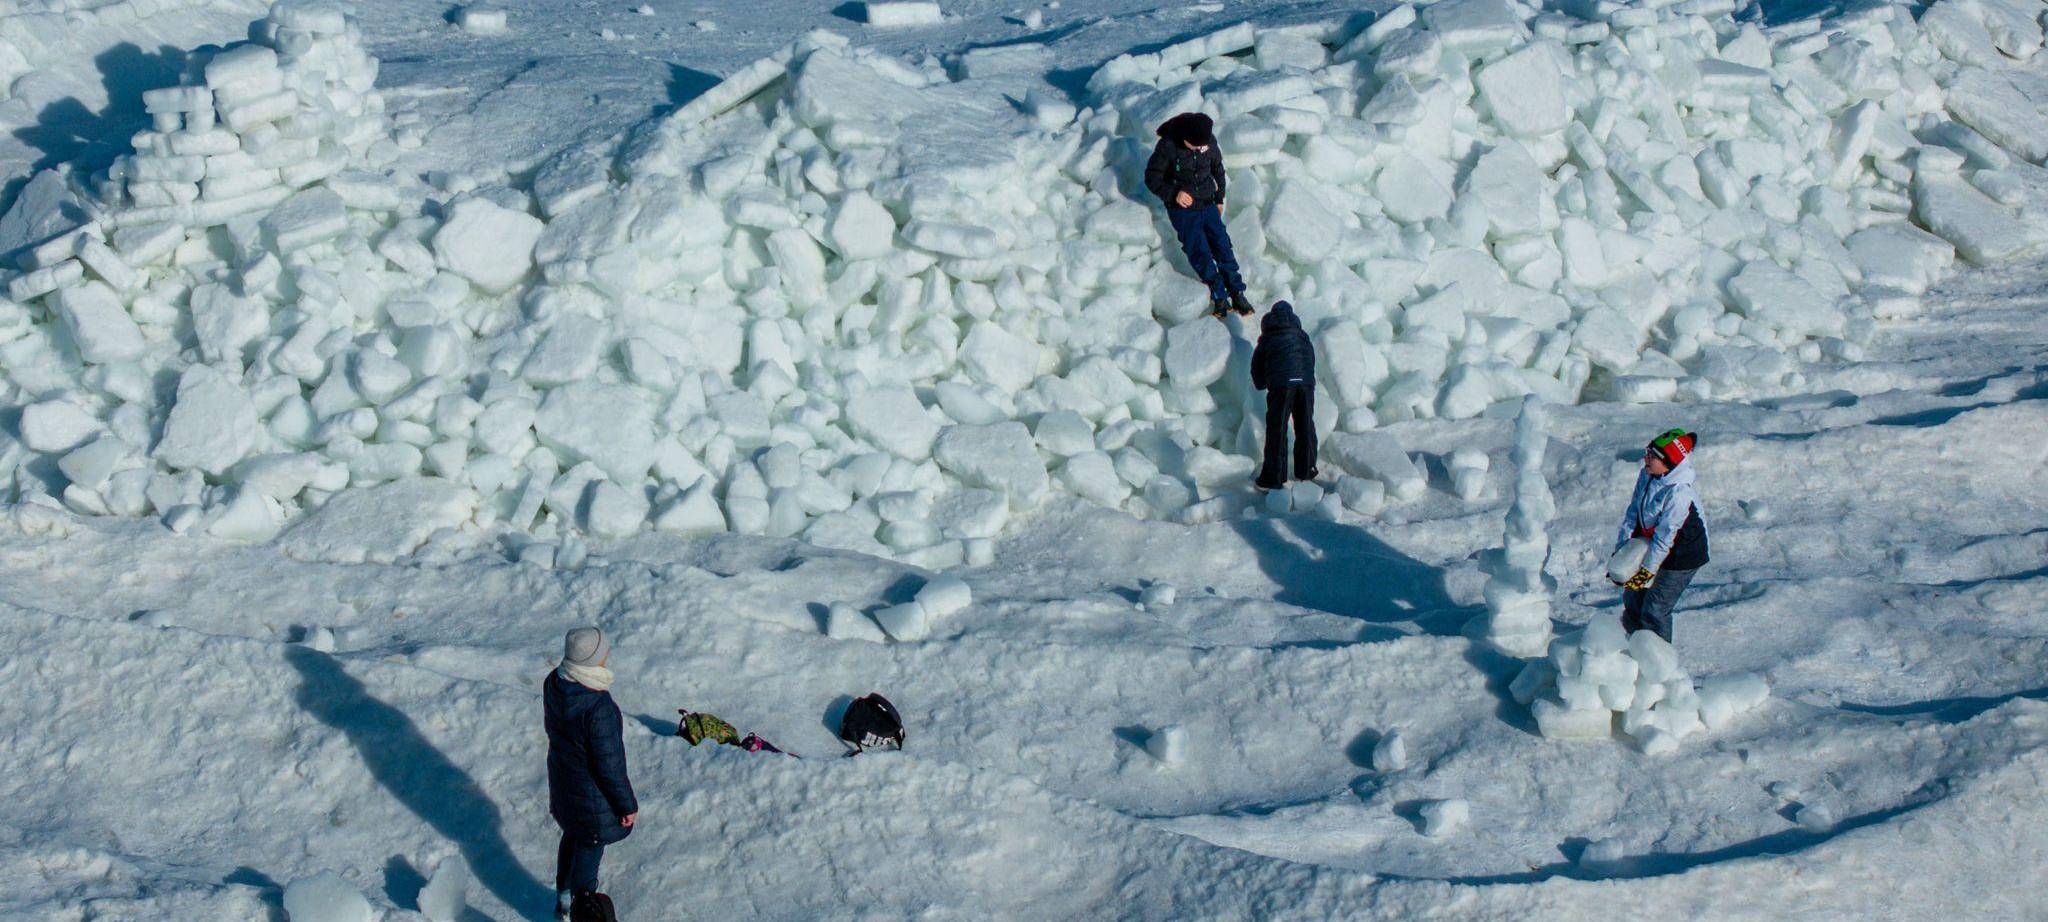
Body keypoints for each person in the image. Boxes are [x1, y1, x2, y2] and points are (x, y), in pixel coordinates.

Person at [545, 627, 637, 920]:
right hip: (591, 798)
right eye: (603, 651)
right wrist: (626, 805)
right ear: (592, 660)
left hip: (564, 782)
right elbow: (609, 765)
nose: (607, 654)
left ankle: (562, 899)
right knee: (589, 845)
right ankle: (580, 908)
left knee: (572, 834)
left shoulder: (555, 682)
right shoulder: (597, 707)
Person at [1143, 112, 1252, 318]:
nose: (1202, 149)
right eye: (1197, 146)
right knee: (1199, 251)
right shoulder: (1168, 146)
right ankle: (1218, 293)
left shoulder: (1208, 141)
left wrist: (1219, 198)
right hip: (1182, 210)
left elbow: (1217, 169)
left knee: (1222, 245)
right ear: (1185, 139)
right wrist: (1174, 194)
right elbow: (1151, 178)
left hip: (1208, 203)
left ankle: (1237, 291)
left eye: (1204, 146)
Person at [1612, 429, 1710, 643]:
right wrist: (1621, 553)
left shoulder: (1678, 493)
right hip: (1651, 544)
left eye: (1653, 455)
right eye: (1648, 451)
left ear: (1669, 463)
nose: (1646, 458)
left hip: (1682, 555)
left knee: (1655, 609)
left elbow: (1665, 538)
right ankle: (1632, 648)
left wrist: (1646, 572)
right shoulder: (1647, 474)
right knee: (1633, 597)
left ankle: (1659, 664)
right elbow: (1633, 513)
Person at [1249, 300, 1317, 490]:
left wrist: (1262, 384)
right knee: (1305, 426)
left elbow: (1257, 366)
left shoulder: (1268, 337)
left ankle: (1273, 477)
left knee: (1277, 429)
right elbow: (1311, 360)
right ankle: (1307, 470)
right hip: (1305, 383)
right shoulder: (1302, 336)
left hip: (1281, 384)